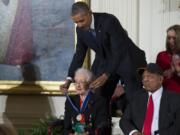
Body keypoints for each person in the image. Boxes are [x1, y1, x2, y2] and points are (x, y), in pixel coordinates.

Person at [60, 1, 147, 115]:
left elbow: (118, 51)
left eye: (82, 20)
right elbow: (79, 55)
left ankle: (136, 130)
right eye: (76, 22)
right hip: (107, 61)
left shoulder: (108, 21)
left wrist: (106, 74)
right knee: (98, 96)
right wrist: (69, 79)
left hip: (128, 60)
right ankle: (100, 128)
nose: (80, 25)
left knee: (133, 100)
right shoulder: (80, 29)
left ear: (90, 13)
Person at [120, 63, 180, 135]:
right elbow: (124, 120)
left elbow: (177, 126)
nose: (145, 80)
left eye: (150, 76)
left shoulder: (175, 99)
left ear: (160, 79)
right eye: (143, 77)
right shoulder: (137, 97)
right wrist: (134, 132)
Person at [64, 68, 110, 135]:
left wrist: (88, 134)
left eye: (81, 82)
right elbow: (66, 127)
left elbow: (102, 127)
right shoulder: (70, 100)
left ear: (89, 83)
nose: (78, 85)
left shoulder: (100, 101)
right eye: (76, 82)